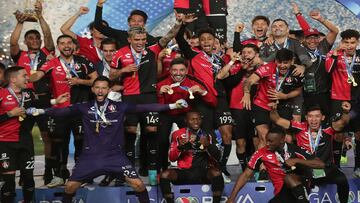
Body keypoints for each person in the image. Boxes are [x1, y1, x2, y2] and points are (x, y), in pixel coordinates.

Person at [26, 76, 189, 203]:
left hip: (115, 157)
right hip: (90, 157)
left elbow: (145, 107)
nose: (100, 91)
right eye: (97, 87)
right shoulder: (84, 107)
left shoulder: (119, 107)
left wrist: (173, 105)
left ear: (109, 90)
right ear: (92, 89)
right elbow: (61, 112)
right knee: (69, 187)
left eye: (103, 88)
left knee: (139, 185)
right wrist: (39, 111)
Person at [110, 16, 184, 181]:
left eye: (143, 39)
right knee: (129, 133)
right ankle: (129, 173)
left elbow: (167, 37)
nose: (140, 42)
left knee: (151, 132)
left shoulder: (152, 50)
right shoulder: (120, 54)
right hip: (130, 98)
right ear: (129, 39)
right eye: (137, 39)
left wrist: (178, 23)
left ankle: (152, 172)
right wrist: (123, 71)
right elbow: (111, 75)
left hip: (149, 98)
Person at [29, 34, 98, 187]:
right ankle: (59, 175)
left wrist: (80, 81)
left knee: (81, 143)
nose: (66, 46)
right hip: (59, 111)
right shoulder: (51, 63)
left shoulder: (84, 62)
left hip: (80, 110)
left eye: (69, 43)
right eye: (62, 43)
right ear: (58, 46)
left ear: (73, 45)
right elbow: (38, 75)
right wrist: (28, 78)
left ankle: (81, 175)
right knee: (59, 143)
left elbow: (96, 80)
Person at [176, 19, 234, 181]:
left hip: (220, 99)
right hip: (202, 100)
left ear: (215, 41)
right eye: (203, 40)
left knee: (227, 134)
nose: (206, 42)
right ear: (199, 43)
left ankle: (223, 167)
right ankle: (211, 167)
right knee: (208, 136)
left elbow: (225, 81)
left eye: (209, 39)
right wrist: (181, 23)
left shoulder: (220, 60)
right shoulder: (193, 54)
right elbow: (180, 38)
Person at [9, 0, 55, 185]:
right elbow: (13, 41)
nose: (35, 40)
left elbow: (48, 34)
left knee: (47, 137)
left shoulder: (46, 51)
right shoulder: (19, 54)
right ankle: (25, 172)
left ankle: (48, 171)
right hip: (24, 102)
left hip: (44, 100)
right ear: (26, 41)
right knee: (22, 136)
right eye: (31, 38)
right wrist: (20, 23)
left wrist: (40, 16)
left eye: (37, 38)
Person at [270, 102, 351, 203]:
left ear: (322, 117)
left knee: (342, 179)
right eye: (310, 116)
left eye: (317, 116)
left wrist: (346, 112)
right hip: (305, 170)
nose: (313, 120)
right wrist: (273, 110)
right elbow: (277, 119)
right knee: (290, 180)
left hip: (326, 168)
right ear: (306, 117)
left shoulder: (328, 128)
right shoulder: (299, 127)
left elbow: (343, 122)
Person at [227, 128, 325, 203]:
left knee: (289, 177)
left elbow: (320, 164)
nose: (267, 144)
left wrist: (297, 160)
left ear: (282, 140)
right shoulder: (261, 153)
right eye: (267, 140)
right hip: (281, 193)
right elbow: (245, 175)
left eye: (271, 141)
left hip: (300, 186)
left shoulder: (294, 149)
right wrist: (231, 198)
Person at [241, 48, 304, 157]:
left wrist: (285, 96)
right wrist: (246, 93)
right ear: (275, 61)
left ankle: (284, 166)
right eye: (279, 62)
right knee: (264, 136)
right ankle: (262, 169)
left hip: (282, 107)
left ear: (291, 61)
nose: (282, 66)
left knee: (287, 138)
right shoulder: (267, 68)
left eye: (286, 63)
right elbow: (249, 81)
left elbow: (298, 90)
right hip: (262, 106)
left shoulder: (295, 72)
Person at [157, 57, 216, 171]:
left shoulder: (194, 81)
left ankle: (194, 166)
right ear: (170, 70)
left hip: (185, 115)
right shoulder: (161, 82)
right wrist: (159, 94)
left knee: (192, 139)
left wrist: (202, 91)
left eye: (182, 70)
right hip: (166, 113)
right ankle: (162, 169)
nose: (178, 73)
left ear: (187, 70)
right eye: (175, 70)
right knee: (162, 140)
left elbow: (213, 102)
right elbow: (156, 107)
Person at [160, 110, 224, 203]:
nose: (196, 122)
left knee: (217, 173)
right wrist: (180, 148)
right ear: (186, 120)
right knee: (164, 175)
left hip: (203, 171)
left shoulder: (209, 134)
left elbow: (218, 157)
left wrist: (208, 146)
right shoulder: (177, 134)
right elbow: (171, 158)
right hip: (184, 172)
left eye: (198, 119)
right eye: (192, 119)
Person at [325, 29, 360, 176]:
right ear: (342, 42)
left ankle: (358, 167)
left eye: (353, 42)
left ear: (357, 42)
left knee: (358, 134)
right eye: (346, 42)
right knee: (338, 133)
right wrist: (336, 52)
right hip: (338, 98)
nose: (350, 46)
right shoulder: (334, 54)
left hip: (357, 100)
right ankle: (337, 167)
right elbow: (328, 70)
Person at [0, 66, 36, 203]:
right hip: (6, 143)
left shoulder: (29, 94)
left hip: (25, 140)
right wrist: (10, 114)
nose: (28, 78)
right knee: (8, 182)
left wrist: (55, 102)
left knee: (28, 178)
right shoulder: (1, 94)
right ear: (13, 79)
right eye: (24, 75)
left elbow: (40, 107)